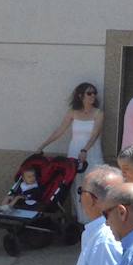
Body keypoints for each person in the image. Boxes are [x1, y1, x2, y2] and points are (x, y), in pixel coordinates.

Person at [37, 82, 105, 223]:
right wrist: (43, 145)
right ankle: (80, 220)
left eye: (94, 93)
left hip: (91, 153)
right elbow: (59, 131)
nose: (93, 96)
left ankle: (93, 220)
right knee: (76, 186)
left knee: (92, 185)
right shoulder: (73, 112)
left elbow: (95, 134)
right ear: (80, 96)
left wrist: (85, 149)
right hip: (74, 153)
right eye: (89, 93)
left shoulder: (98, 113)